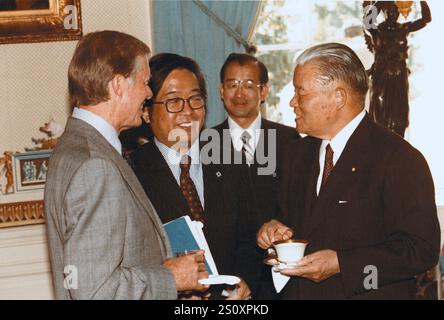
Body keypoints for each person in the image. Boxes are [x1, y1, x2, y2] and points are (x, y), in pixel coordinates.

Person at [257, 42, 441, 299]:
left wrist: (342, 264)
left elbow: (420, 249)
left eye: (301, 93)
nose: (292, 102)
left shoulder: (399, 158)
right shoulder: (295, 154)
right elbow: (292, 221)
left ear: (338, 97)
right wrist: (274, 230)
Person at [44, 31, 208, 300]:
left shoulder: (75, 147)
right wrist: (172, 278)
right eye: (144, 83)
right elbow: (94, 290)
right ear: (119, 85)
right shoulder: (95, 165)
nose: (148, 93)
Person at [130, 53, 257, 300]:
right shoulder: (132, 171)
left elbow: (250, 240)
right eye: (173, 101)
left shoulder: (229, 157)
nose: (188, 111)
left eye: (195, 99)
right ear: (146, 112)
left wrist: (245, 280)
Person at [213, 53, 299, 298]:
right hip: (230, 282)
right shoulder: (203, 146)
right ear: (221, 90)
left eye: (249, 85)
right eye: (232, 85)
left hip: (285, 278)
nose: (240, 94)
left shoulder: (292, 141)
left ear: (264, 92)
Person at [363, 1, 431, 137]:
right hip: (381, 74)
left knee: (400, 108)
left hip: (399, 74)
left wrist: (422, 1)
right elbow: (367, 21)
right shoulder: (377, 31)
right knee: (379, 108)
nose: (393, 14)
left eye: (396, 11)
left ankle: (399, 138)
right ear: (385, 12)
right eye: (390, 11)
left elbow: (426, 19)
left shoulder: (404, 29)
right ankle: (379, 138)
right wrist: (381, 3)